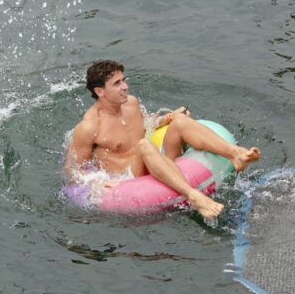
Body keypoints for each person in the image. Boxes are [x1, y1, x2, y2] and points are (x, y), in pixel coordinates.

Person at [65, 60, 261, 219]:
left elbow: (146, 125)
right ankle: (193, 196)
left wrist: (167, 118)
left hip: (154, 159)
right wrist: (95, 183)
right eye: (117, 84)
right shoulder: (89, 127)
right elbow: (73, 169)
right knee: (143, 145)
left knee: (180, 121)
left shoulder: (131, 103)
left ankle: (236, 154)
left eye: (124, 80)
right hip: (128, 177)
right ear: (100, 91)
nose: (125, 87)